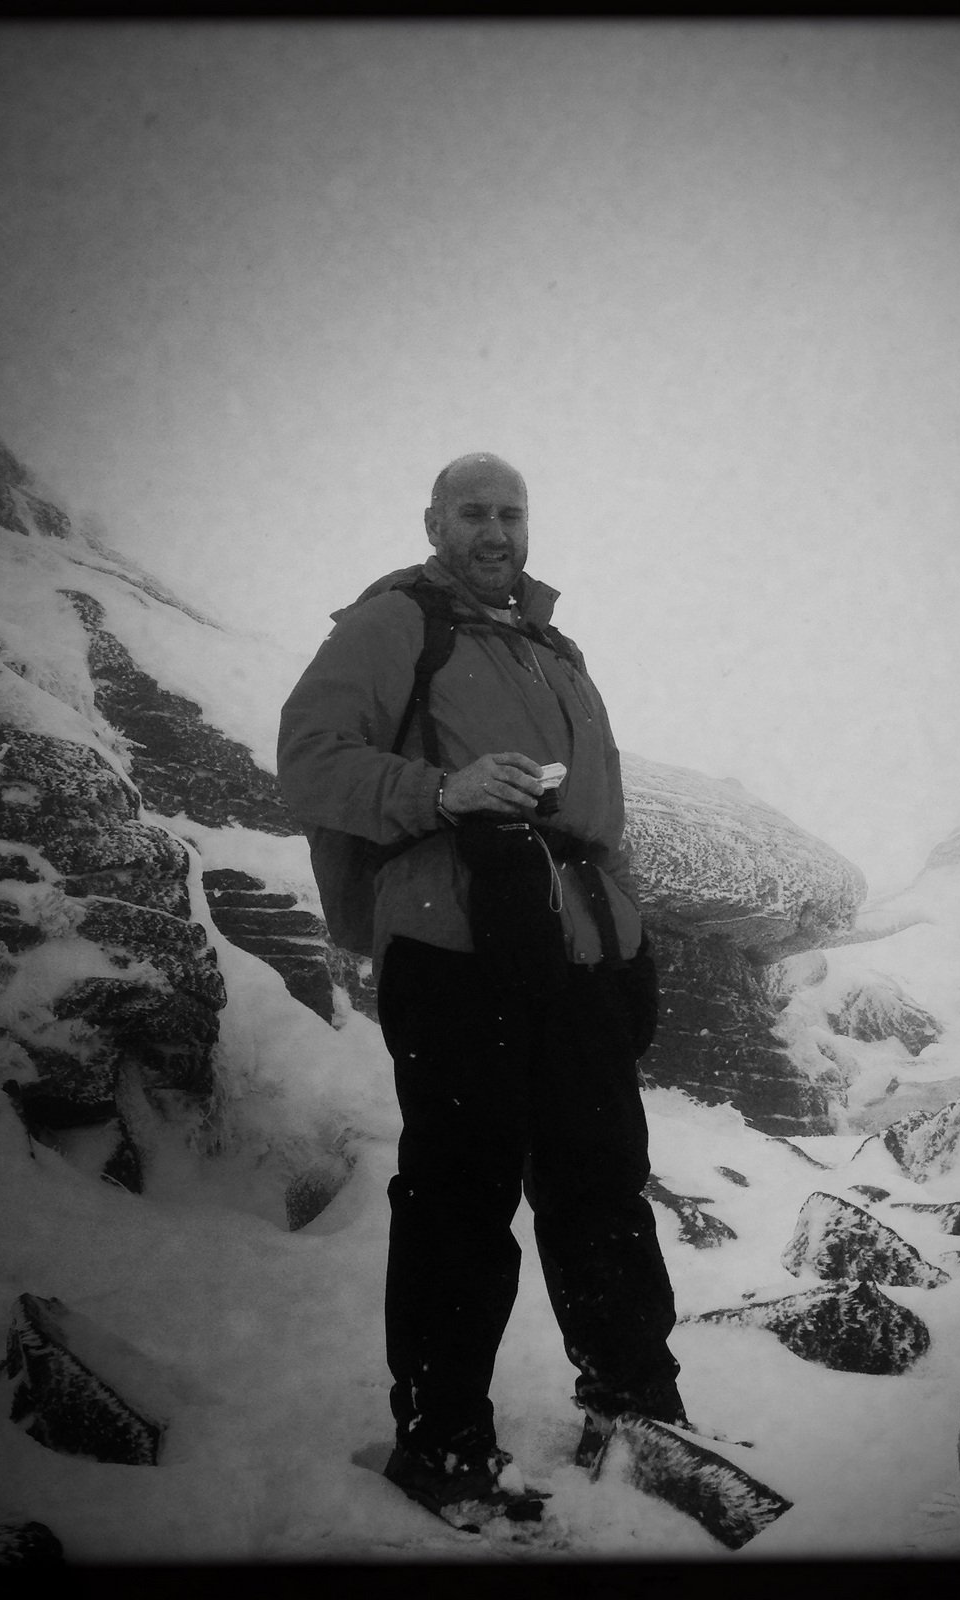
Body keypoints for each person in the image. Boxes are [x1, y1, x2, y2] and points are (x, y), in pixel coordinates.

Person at [276, 452, 686, 1521]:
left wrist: (630, 948)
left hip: (577, 959)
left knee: (601, 1186)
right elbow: (310, 758)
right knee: (460, 1197)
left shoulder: (556, 648)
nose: (494, 529)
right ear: (434, 522)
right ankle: (444, 1441)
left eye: (510, 512)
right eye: (473, 512)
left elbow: (600, 824)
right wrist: (442, 787)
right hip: (455, 951)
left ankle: (639, 1403)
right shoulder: (393, 623)